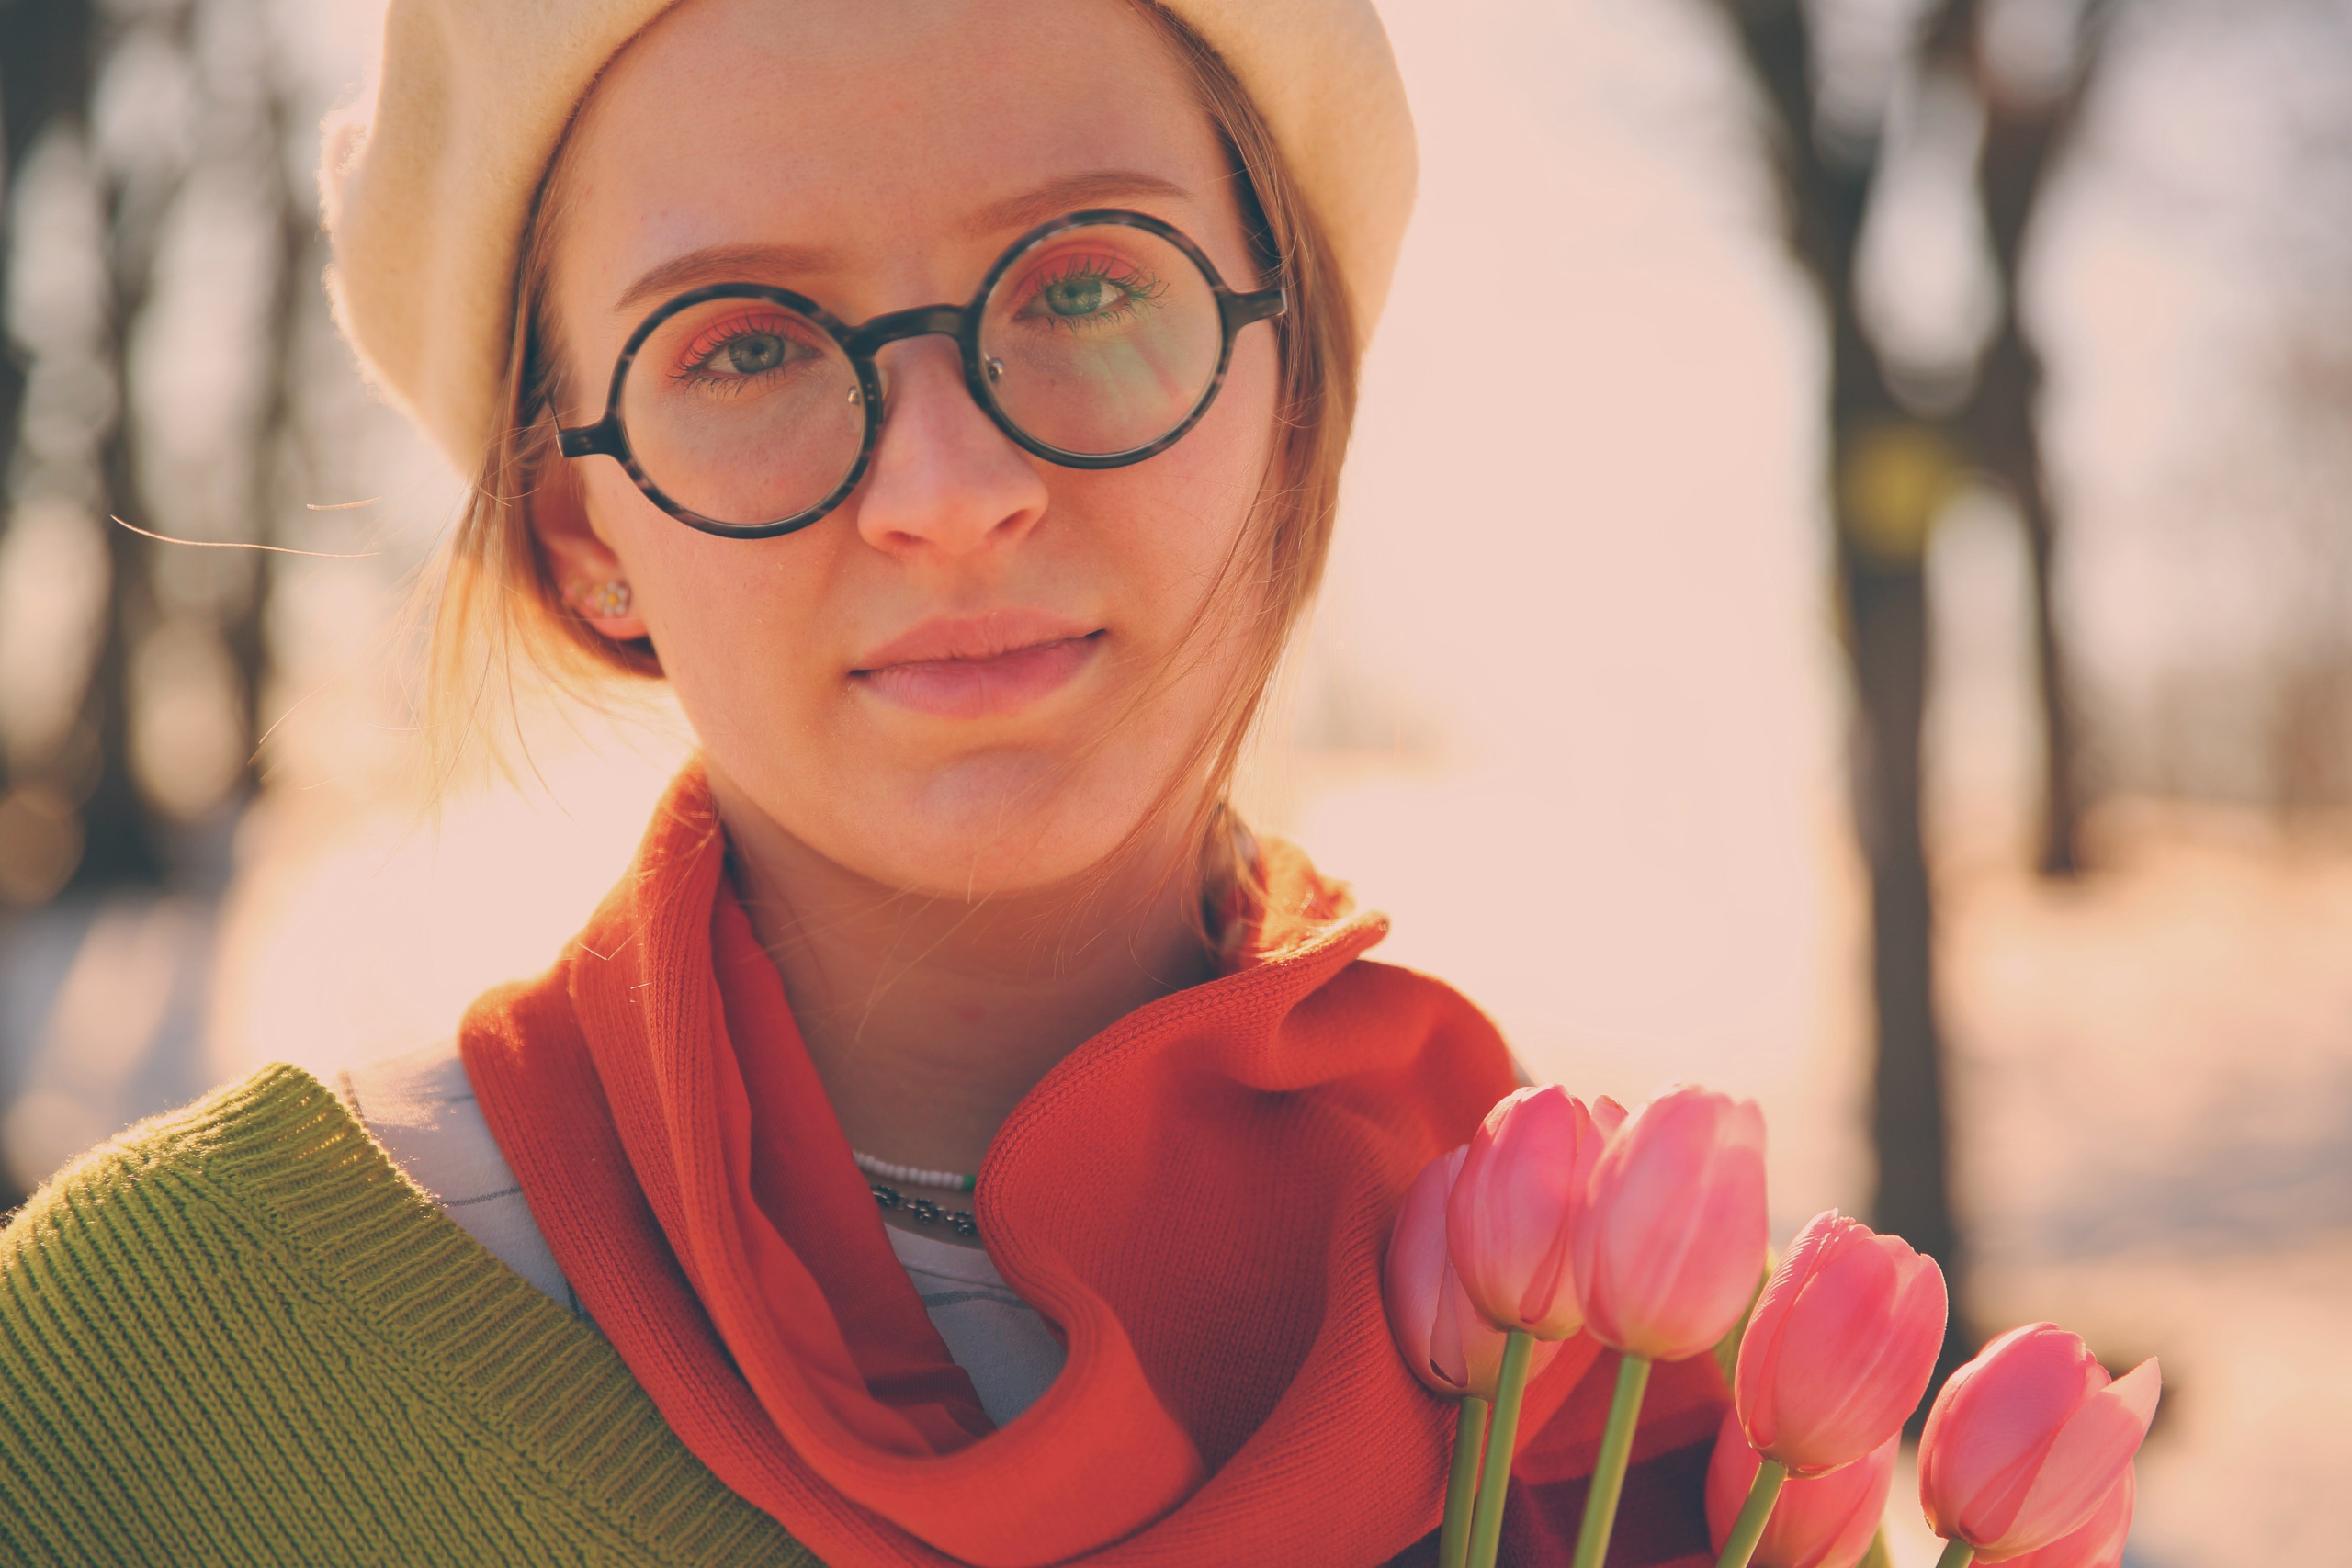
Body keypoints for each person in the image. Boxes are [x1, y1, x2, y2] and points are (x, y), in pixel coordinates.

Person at [0, 1, 1731, 1562]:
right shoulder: (153, 1384)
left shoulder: (1661, 1382)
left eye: (1085, 286)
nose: (948, 488)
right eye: (743, 347)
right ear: (583, 529)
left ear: (1291, 401)